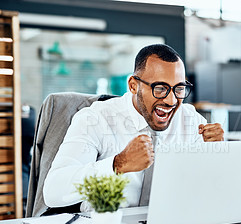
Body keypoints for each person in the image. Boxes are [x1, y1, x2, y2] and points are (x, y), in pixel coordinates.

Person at [43, 44, 224, 212]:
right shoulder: (95, 119)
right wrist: (118, 164)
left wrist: (216, 154)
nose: (171, 101)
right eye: (160, 88)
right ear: (133, 85)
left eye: (179, 89)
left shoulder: (190, 119)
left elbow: (211, 187)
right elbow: (53, 192)